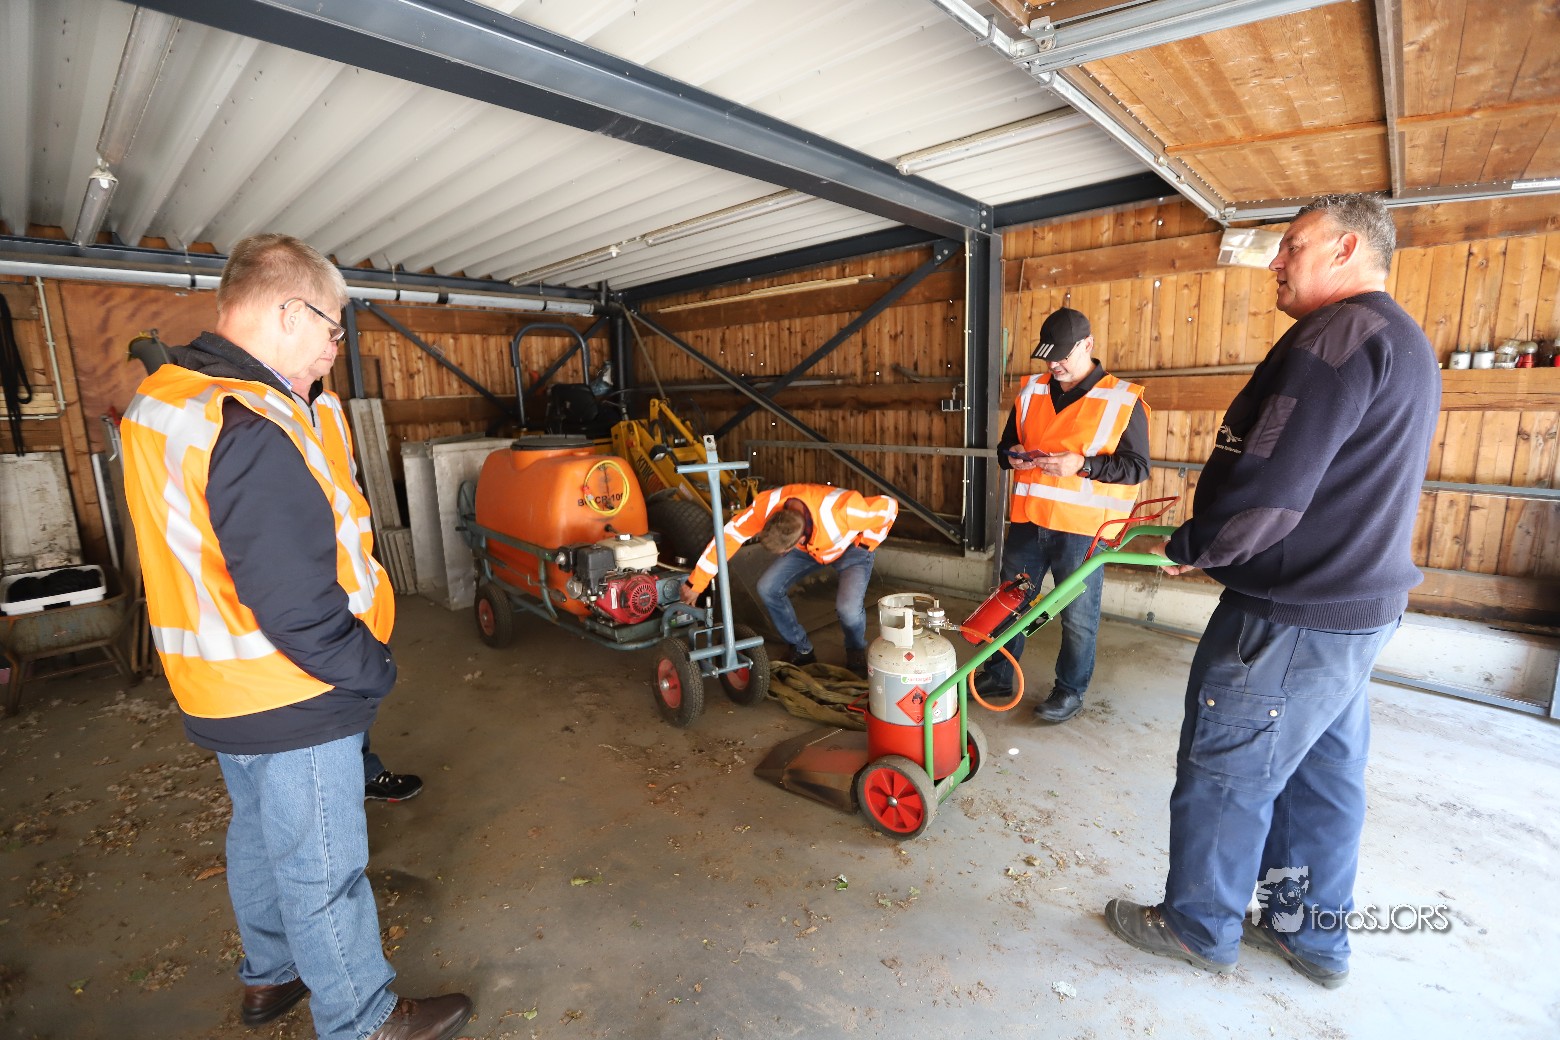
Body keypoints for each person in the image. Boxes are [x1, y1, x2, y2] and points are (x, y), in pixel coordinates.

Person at [120, 233, 472, 1040]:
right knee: (322, 867)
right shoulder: (249, 424)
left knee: (258, 835)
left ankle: (270, 976)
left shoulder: (172, 398)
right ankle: (361, 1019)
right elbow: (297, 603)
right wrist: (370, 669)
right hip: (292, 687)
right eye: (332, 328)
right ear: (289, 311)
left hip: (220, 685)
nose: (334, 347)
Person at [1103, 193, 1441, 989]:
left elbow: (1274, 485)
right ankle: (1308, 935)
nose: (1277, 262)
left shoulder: (1332, 340)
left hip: (1290, 614)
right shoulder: (1403, 340)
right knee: (1322, 778)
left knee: (1229, 770)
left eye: (1293, 246)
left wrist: (1197, 546)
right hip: (1357, 611)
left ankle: (1197, 926)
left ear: (1346, 248)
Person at [976, 307, 1150, 722]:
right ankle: (998, 675)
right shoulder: (1031, 391)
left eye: (1062, 357)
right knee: (1010, 603)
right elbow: (1006, 446)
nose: (1054, 366)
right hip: (1028, 522)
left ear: (1088, 345)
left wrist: (1083, 465)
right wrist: (1011, 455)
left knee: (1078, 617)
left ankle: (1069, 691)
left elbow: (1137, 468)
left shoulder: (1123, 399)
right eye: (1048, 357)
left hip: (1082, 532)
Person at [283, 355, 424, 804]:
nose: (332, 348)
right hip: (306, 586)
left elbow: (349, 487)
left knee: (353, 694)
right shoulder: (257, 408)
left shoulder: (328, 405)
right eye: (328, 331)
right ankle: (336, 795)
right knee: (323, 701)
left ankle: (360, 773)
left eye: (338, 337)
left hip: (354, 585)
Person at [678, 483, 897, 674]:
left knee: (848, 609)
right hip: (808, 550)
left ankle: (856, 650)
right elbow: (728, 537)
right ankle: (802, 649)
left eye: (783, 552)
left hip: (851, 549)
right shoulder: (765, 507)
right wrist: (696, 583)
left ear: (798, 539)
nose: (781, 555)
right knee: (767, 587)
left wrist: (866, 543)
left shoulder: (845, 511)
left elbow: (889, 507)